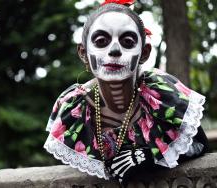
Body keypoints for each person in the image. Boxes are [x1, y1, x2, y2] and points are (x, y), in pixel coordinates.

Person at [43, 0, 209, 185]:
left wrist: (149, 158)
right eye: (101, 42)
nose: (114, 50)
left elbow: (198, 145)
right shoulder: (74, 109)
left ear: (144, 53)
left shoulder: (161, 95)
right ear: (83, 52)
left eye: (127, 42)